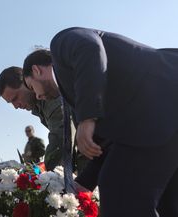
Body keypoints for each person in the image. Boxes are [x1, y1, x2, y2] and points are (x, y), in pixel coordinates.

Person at [22, 27, 178, 217]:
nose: (38, 96)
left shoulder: (62, 44)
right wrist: (83, 183)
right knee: (167, 203)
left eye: (32, 87)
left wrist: (87, 117)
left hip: (162, 101)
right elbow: (104, 143)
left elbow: (90, 46)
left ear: (36, 70)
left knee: (118, 186)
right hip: (159, 120)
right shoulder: (78, 90)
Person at [0, 66, 89, 171]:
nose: (16, 106)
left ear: (26, 83)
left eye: (15, 98)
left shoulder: (51, 98)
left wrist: (38, 172)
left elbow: (60, 141)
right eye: (11, 103)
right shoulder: (40, 106)